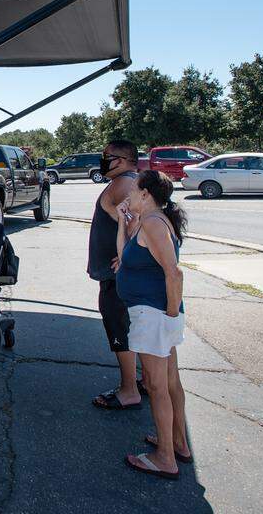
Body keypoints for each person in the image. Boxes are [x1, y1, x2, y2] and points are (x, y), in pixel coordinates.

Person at [114, 170, 192, 480]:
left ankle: (165, 458)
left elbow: (174, 274)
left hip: (154, 315)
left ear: (146, 194)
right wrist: (123, 220)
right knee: (169, 382)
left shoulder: (154, 224)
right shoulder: (146, 222)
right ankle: (177, 442)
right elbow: (125, 257)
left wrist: (170, 316)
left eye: (133, 190)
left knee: (157, 386)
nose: (128, 195)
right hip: (155, 314)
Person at [88, 140, 144, 410]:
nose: (103, 161)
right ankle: (140, 381)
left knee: (119, 328)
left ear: (121, 160)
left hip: (116, 278)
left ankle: (129, 389)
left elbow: (136, 222)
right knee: (129, 326)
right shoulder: (131, 181)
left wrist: (127, 256)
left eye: (106, 156)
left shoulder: (123, 183)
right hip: (118, 274)